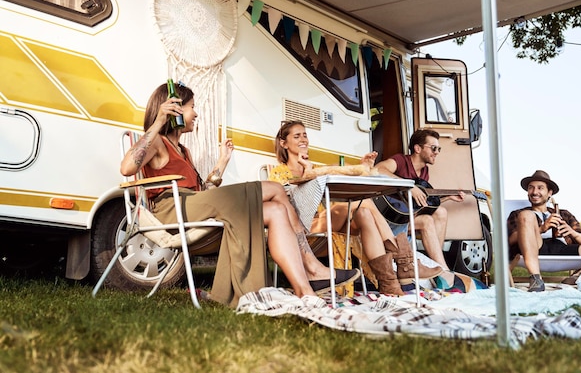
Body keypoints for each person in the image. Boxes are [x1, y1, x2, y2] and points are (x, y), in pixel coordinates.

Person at [120, 82, 358, 307]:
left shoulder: (184, 150)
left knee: (275, 211)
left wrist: (222, 162)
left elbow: (204, 192)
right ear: (175, 109)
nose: (196, 113)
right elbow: (127, 168)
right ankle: (313, 267)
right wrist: (159, 121)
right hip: (171, 211)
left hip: (193, 206)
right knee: (275, 189)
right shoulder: (158, 142)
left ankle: (305, 290)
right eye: (192, 107)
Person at [270, 121, 487, 296]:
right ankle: (404, 261)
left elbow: (331, 174)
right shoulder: (278, 173)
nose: (303, 139)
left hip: (327, 219)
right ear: (284, 143)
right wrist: (310, 171)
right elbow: (290, 204)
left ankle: (389, 283)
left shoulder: (314, 167)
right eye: (297, 136)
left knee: (364, 212)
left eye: (305, 135)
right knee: (362, 203)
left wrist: (359, 167)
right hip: (303, 227)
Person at [507, 170, 581, 292]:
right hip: (536, 247)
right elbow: (511, 239)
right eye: (531, 188)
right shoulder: (519, 214)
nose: (534, 192)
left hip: (563, 248)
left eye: (540, 188)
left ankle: (577, 277)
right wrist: (542, 229)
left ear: (549, 193)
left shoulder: (563, 213)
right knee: (526, 215)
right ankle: (536, 279)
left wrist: (571, 232)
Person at [374, 129, 465, 270]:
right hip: (389, 221)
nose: (437, 152)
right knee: (426, 221)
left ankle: (433, 265)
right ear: (417, 148)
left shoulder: (424, 172)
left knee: (441, 212)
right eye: (434, 148)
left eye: (439, 149)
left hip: (405, 220)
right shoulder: (401, 161)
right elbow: (378, 169)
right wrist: (408, 186)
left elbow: (421, 205)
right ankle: (443, 270)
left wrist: (447, 197)